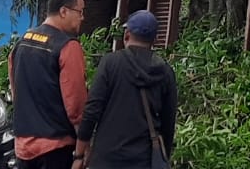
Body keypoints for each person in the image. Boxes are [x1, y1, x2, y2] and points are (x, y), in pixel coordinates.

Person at [75, 10, 178, 169]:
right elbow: (168, 122)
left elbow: (92, 110)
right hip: (144, 161)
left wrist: (80, 154)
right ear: (155, 40)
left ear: (127, 35)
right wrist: (163, 156)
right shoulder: (165, 71)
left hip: (106, 159)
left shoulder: (111, 63)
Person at [11, 0, 89, 169]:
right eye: (80, 12)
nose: (82, 17)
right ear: (64, 11)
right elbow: (76, 106)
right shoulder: (67, 47)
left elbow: (16, 92)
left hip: (23, 145)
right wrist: (83, 147)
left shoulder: (22, 42)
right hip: (55, 148)